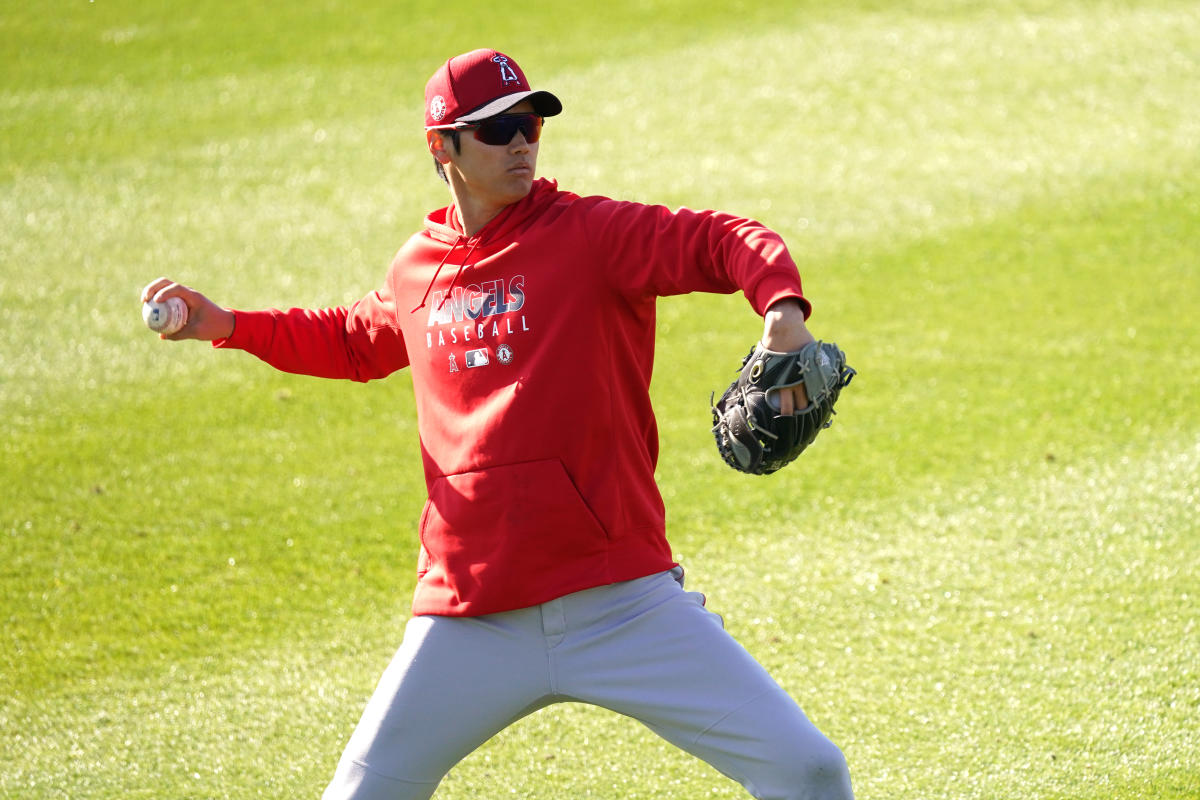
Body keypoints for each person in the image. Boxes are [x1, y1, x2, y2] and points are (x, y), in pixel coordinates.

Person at [143, 48, 854, 800]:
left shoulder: (591, 235)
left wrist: (781, 310)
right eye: (497, 129)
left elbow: (722, 238)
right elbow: (353, 341)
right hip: (469, 616)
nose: (522, 141)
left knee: (809, 771)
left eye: (531, 125)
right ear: (440, 145)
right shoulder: (418, 268)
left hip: (618, 599)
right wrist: (228, 325)